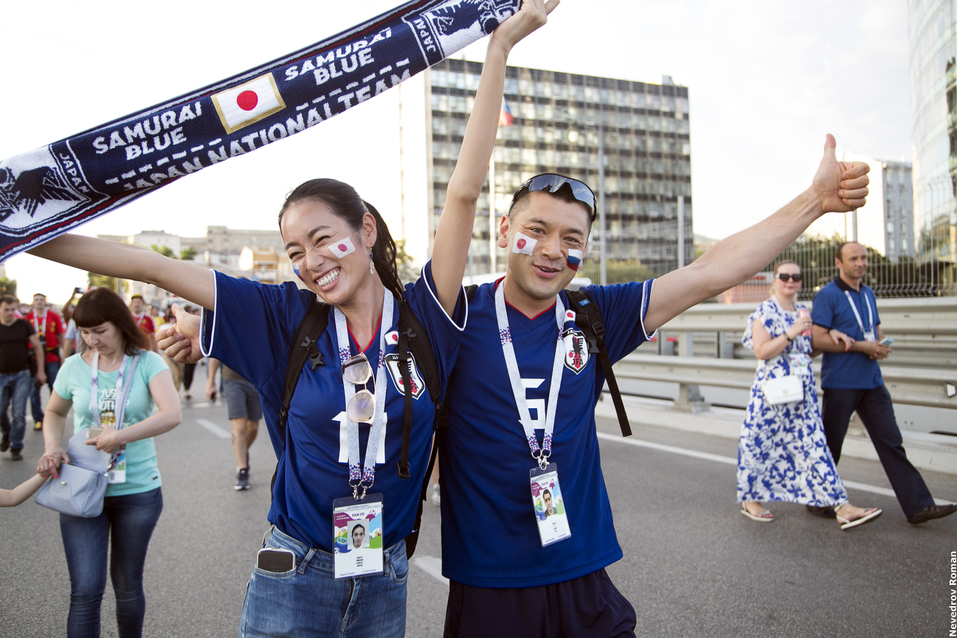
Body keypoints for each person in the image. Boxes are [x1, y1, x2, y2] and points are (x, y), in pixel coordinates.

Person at [29, 5, 553, 636]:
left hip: (384, 577)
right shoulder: (283, 317)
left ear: (365, 230)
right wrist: (17, 231)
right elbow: (149, 264)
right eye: (295, 251)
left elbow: (463, 192)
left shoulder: (426, 316)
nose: (309, 263)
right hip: (293, 574)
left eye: (322, 239)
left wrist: (498, 50)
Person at [437, 134, 870, 638]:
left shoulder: (594, 314)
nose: (554, 250)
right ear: (504, 230)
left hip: (583, 572)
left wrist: (814, 202)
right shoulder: (453, 318)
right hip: (490, 584)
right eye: (537, 230)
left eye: (572, 239)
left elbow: (711, 271)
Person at [35, 287, 181, 638]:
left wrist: (120, 436)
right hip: (81, 487)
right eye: (85, 332)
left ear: (119, 323)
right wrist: (51, 445)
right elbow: (54, 411)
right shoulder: (73, 367)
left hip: (137, 491)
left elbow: (172, 413)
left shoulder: (147, 362)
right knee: (85, 590)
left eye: (100, 331)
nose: (92, 340)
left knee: (128, 585)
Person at [810, 241, 957, 525]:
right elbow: (817, 339)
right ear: (839, 263)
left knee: (891, 442)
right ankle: (817, 500)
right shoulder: (827, 295)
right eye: (854, 258)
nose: (861, 263)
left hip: (872, 381)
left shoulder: (868, 293)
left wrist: (879, 344)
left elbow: (874, 328)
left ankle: (918, 506)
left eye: (864, 258)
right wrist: (862, 346)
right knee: (831, 445)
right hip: (841, 382)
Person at [737, 260, 882, 529]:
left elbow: (807, 349)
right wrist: (792, 331)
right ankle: (750, 499)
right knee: (759, 442)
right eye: (784, 276)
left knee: (815, 447)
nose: (790, 281)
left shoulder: (804, 312)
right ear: (774, 280)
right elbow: (762, 351)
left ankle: (841, 505)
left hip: (802, 393)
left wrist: (831, 334)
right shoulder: (765, 311)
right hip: (772, 393)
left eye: (796, 277)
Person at [0, 295, 46, 460]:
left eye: (13, 309)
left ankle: (16, 446)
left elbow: (37, 347)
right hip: (2, 375)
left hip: (22, 374)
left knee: (18, 413)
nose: (10, 313)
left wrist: (41, 371)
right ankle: (7, 431)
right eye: (6, 310)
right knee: (1, 410)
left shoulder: (24, 325)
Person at [206, 358, 261, 490]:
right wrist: (210, 382)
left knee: (253, 427)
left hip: (255, 378)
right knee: (239, 426)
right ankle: (242, 470)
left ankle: (242, 451)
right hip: (232, 378)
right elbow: (215, 354)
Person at [23, 292, 64, 429]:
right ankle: (38, 419)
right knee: (34, 391)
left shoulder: (53, 316)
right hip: (34, 359)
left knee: (55, 388)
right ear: (33, 302)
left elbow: (61, 335)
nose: (39, 302)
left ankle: (54, 417)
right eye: (37, 300)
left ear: (45, 302)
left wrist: (64, 356)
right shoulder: (27, 319)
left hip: (51, 356)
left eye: (41, 300)